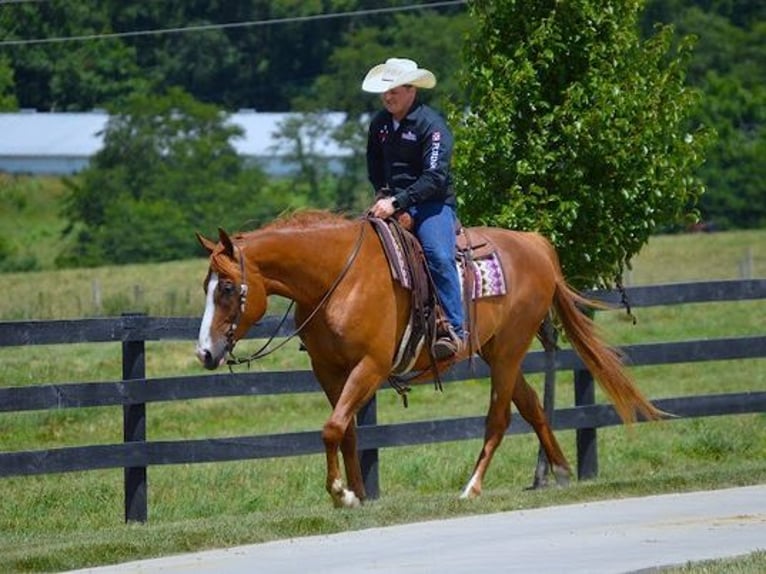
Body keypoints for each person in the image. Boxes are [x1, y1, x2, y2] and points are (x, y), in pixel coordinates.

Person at [363, 57, 464, 359]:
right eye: (386, 90)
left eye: (395, 89)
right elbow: (375, 167)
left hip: (432, 205)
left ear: (412, 90)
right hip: (390, 202)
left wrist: (396, 202)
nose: (388, 95)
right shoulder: (380, 124)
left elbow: (434, 178)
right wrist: (383, 195)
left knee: (439, 255)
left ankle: (457, 330)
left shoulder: (432, 126)